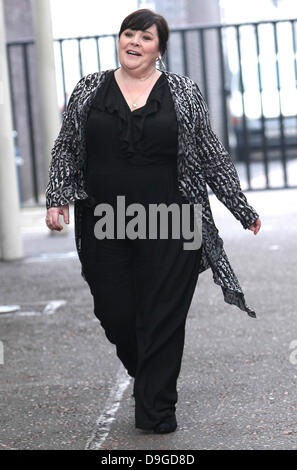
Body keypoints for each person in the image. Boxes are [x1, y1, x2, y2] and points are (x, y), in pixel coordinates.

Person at [45, 8, 261, 434]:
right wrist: (58, 198)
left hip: (173, 218)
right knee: (115, 310)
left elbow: (210, 152)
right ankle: (147, 375)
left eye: (145, 37)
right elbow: (67, 146)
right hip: (106, 219)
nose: (135, 43)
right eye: (129, 34)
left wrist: (240, 207)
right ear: (119, 39)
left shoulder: (182, 91)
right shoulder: (89, 88)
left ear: (160, 48)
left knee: (162, 315)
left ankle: (157, 411)